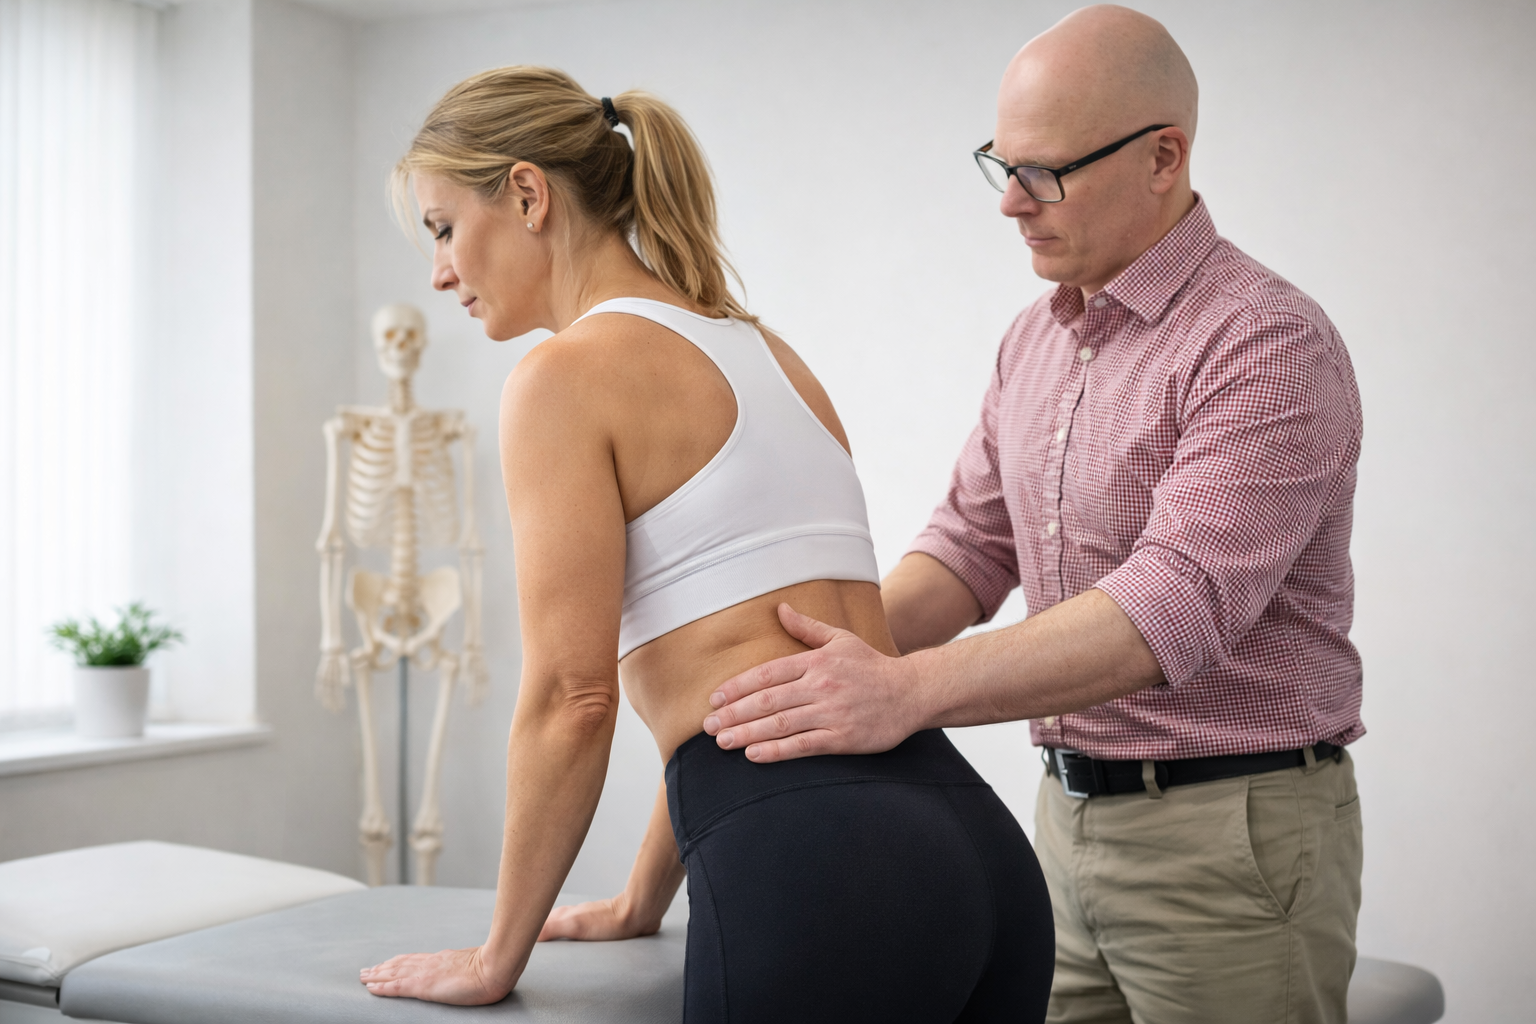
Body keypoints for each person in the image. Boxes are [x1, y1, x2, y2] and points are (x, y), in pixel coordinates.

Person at [699, 7, 1365, 1023]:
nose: (1011, 202)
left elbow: (1168, 608)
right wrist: (802, 657)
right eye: (1001, 166)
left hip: (1230, 834)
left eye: (1045, 172)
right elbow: (969, 547)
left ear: (1163, 157)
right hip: (1063, 825)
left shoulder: (1265, 342)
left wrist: (900, 692)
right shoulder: (1036, 338)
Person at [356, 66, 1054, 1022]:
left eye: (442, 228)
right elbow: (732, 687)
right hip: (981, 858)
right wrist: (641, 903)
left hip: (821, 873)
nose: (440, 272)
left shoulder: (563, 377)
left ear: (526, 195)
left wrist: (494, 957)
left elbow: (572, 699)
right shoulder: (766, 353)